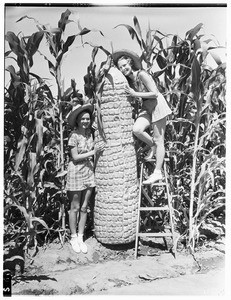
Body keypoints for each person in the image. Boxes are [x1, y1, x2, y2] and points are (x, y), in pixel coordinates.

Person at [113, 49, 172, 185]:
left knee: (159, 140)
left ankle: (157, 172)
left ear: (130, 63)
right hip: (147, 107)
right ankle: (152, 146)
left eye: (125, 65)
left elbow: (155, 93)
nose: (123, 69)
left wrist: (135, 94)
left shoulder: (142, 74)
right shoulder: (129, 80)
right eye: (120, 67)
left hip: (157, 105)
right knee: (137, 129)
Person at [65, 100, 103, 253]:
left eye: (88, 118)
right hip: (76, 172)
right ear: (77, 121)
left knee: (84, 207)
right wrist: (93, 153)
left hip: (88, 172)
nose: (85, 121)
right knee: (74, 207)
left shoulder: (90, 134)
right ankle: (73, 237)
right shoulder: (74, 136)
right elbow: (74, 157)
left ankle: (81, 237)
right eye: (83, 119)